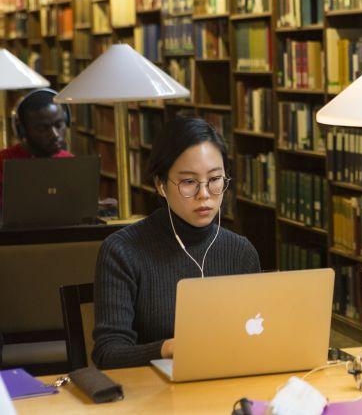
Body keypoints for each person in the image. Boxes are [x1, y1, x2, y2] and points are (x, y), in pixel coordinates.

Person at [92, 116, 261, 369]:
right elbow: (108, 353)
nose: (204, 195)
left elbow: (258, 334)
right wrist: (168, 348)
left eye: (215, 180)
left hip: (228, 384)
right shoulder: (122, 251)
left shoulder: (241, 251)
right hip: (153, 395)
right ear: (160, 184)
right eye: (189, 182)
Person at [0, 88, 73, 207]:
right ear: (23, 130)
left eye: (59, 125)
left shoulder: (71, 162)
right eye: (42, 129)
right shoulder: (3, 163)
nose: (55, 135)